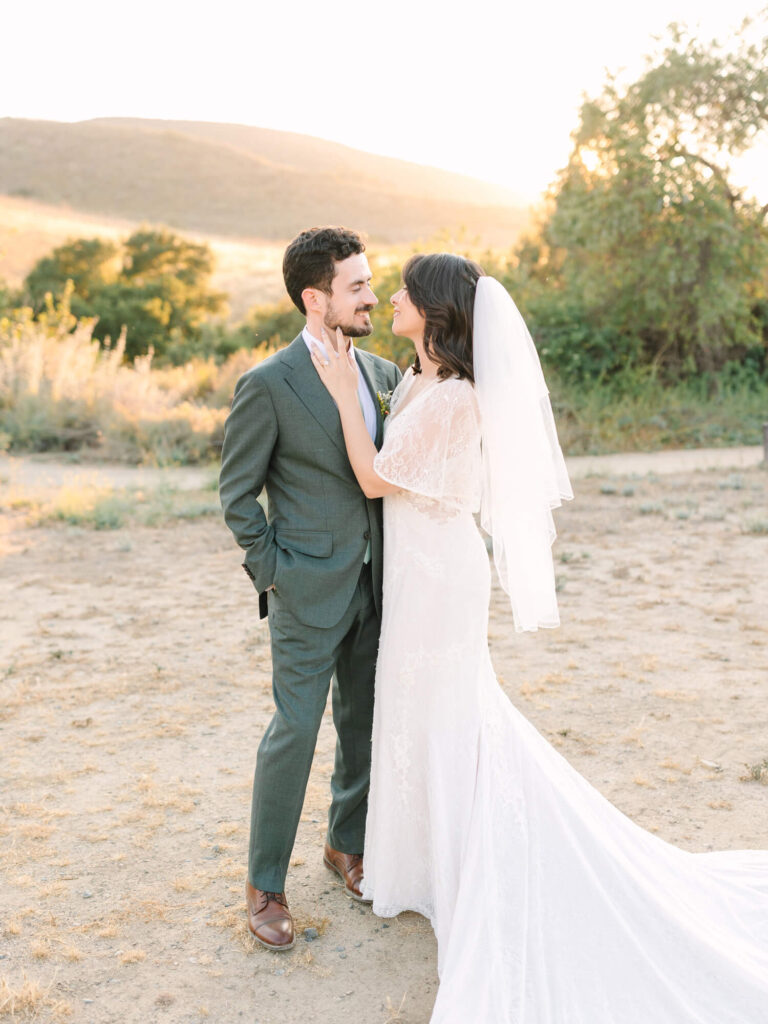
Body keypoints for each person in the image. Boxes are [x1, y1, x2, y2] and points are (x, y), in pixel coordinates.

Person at [311, 252, 768, 1022]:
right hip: (413, 569)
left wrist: (338, 396)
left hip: (442, 574)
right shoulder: (417, 378)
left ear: (436, 308)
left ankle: (473, 856)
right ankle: (420, 863)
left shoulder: (459, 397)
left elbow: (375, 478)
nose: (390, 296)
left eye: (404, 290)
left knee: (452, 710)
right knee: (415, 709)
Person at [219, 226, 401, 951]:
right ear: (314, 297)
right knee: (293, 732)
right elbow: (238, 497)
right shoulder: (268, 383)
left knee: (362, 727)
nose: (373, 296)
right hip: (304, 589)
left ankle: (344, 846)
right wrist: (276, 572)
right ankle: (265, 884)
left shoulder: (386, 375)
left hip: (378, 584)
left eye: (369, 282)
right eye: (357, 286)